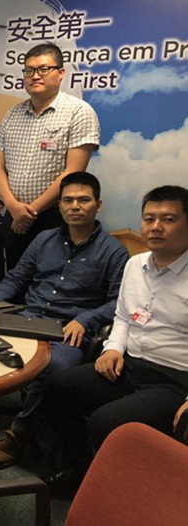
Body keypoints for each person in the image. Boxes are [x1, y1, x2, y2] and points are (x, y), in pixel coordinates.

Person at [0, 173, 129, 471]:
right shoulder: (44, 239)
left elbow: (117, 302)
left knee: (54, 369)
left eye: (83, 200)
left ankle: (19, 435)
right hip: (27, 318)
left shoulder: (114, 252)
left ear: (98, 205)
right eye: (68, 200)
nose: (75, 206)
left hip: (67, 329)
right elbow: (16, 277)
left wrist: (85, 319)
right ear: (60, 205)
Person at [43, 185, 188, 486]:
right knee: (58, 385)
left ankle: (117, 489)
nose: (155, 227)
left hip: (175, 379)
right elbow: (122, 316)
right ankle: (78, 470)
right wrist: (113, 349)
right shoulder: (135, 264)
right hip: (130, 364)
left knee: (106, 422)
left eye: (168, 219)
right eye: (149, 219)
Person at [0, 42, 100, 270]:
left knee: (52, 281)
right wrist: (13, 206)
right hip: (14, 215)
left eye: (43, 69)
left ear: (61, 73)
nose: (35, 76)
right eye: (29, 70)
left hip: (55, 217)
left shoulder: (79, 111)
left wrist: (30, 212)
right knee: (16, 278)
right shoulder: (12, 114)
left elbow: (73, 172)